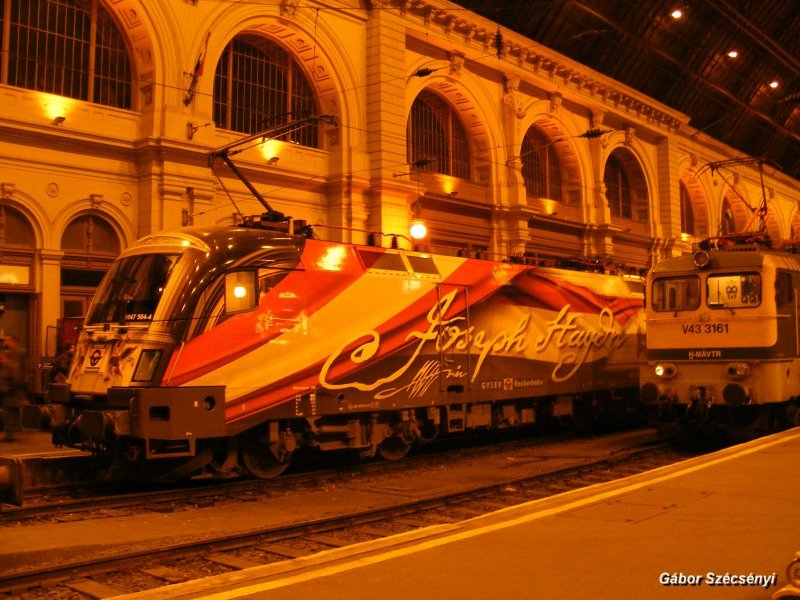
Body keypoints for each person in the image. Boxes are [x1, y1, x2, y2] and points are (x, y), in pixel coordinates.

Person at [0, 334, 28, 441]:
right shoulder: (7, 353)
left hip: (12, 390)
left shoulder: (19, 354)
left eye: (7, 340)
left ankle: (11, 432)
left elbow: (21, 371)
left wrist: (11, 387)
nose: (5, 342)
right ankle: (14, 429)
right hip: (10, 389)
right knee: (11, 411)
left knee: (9, 411)